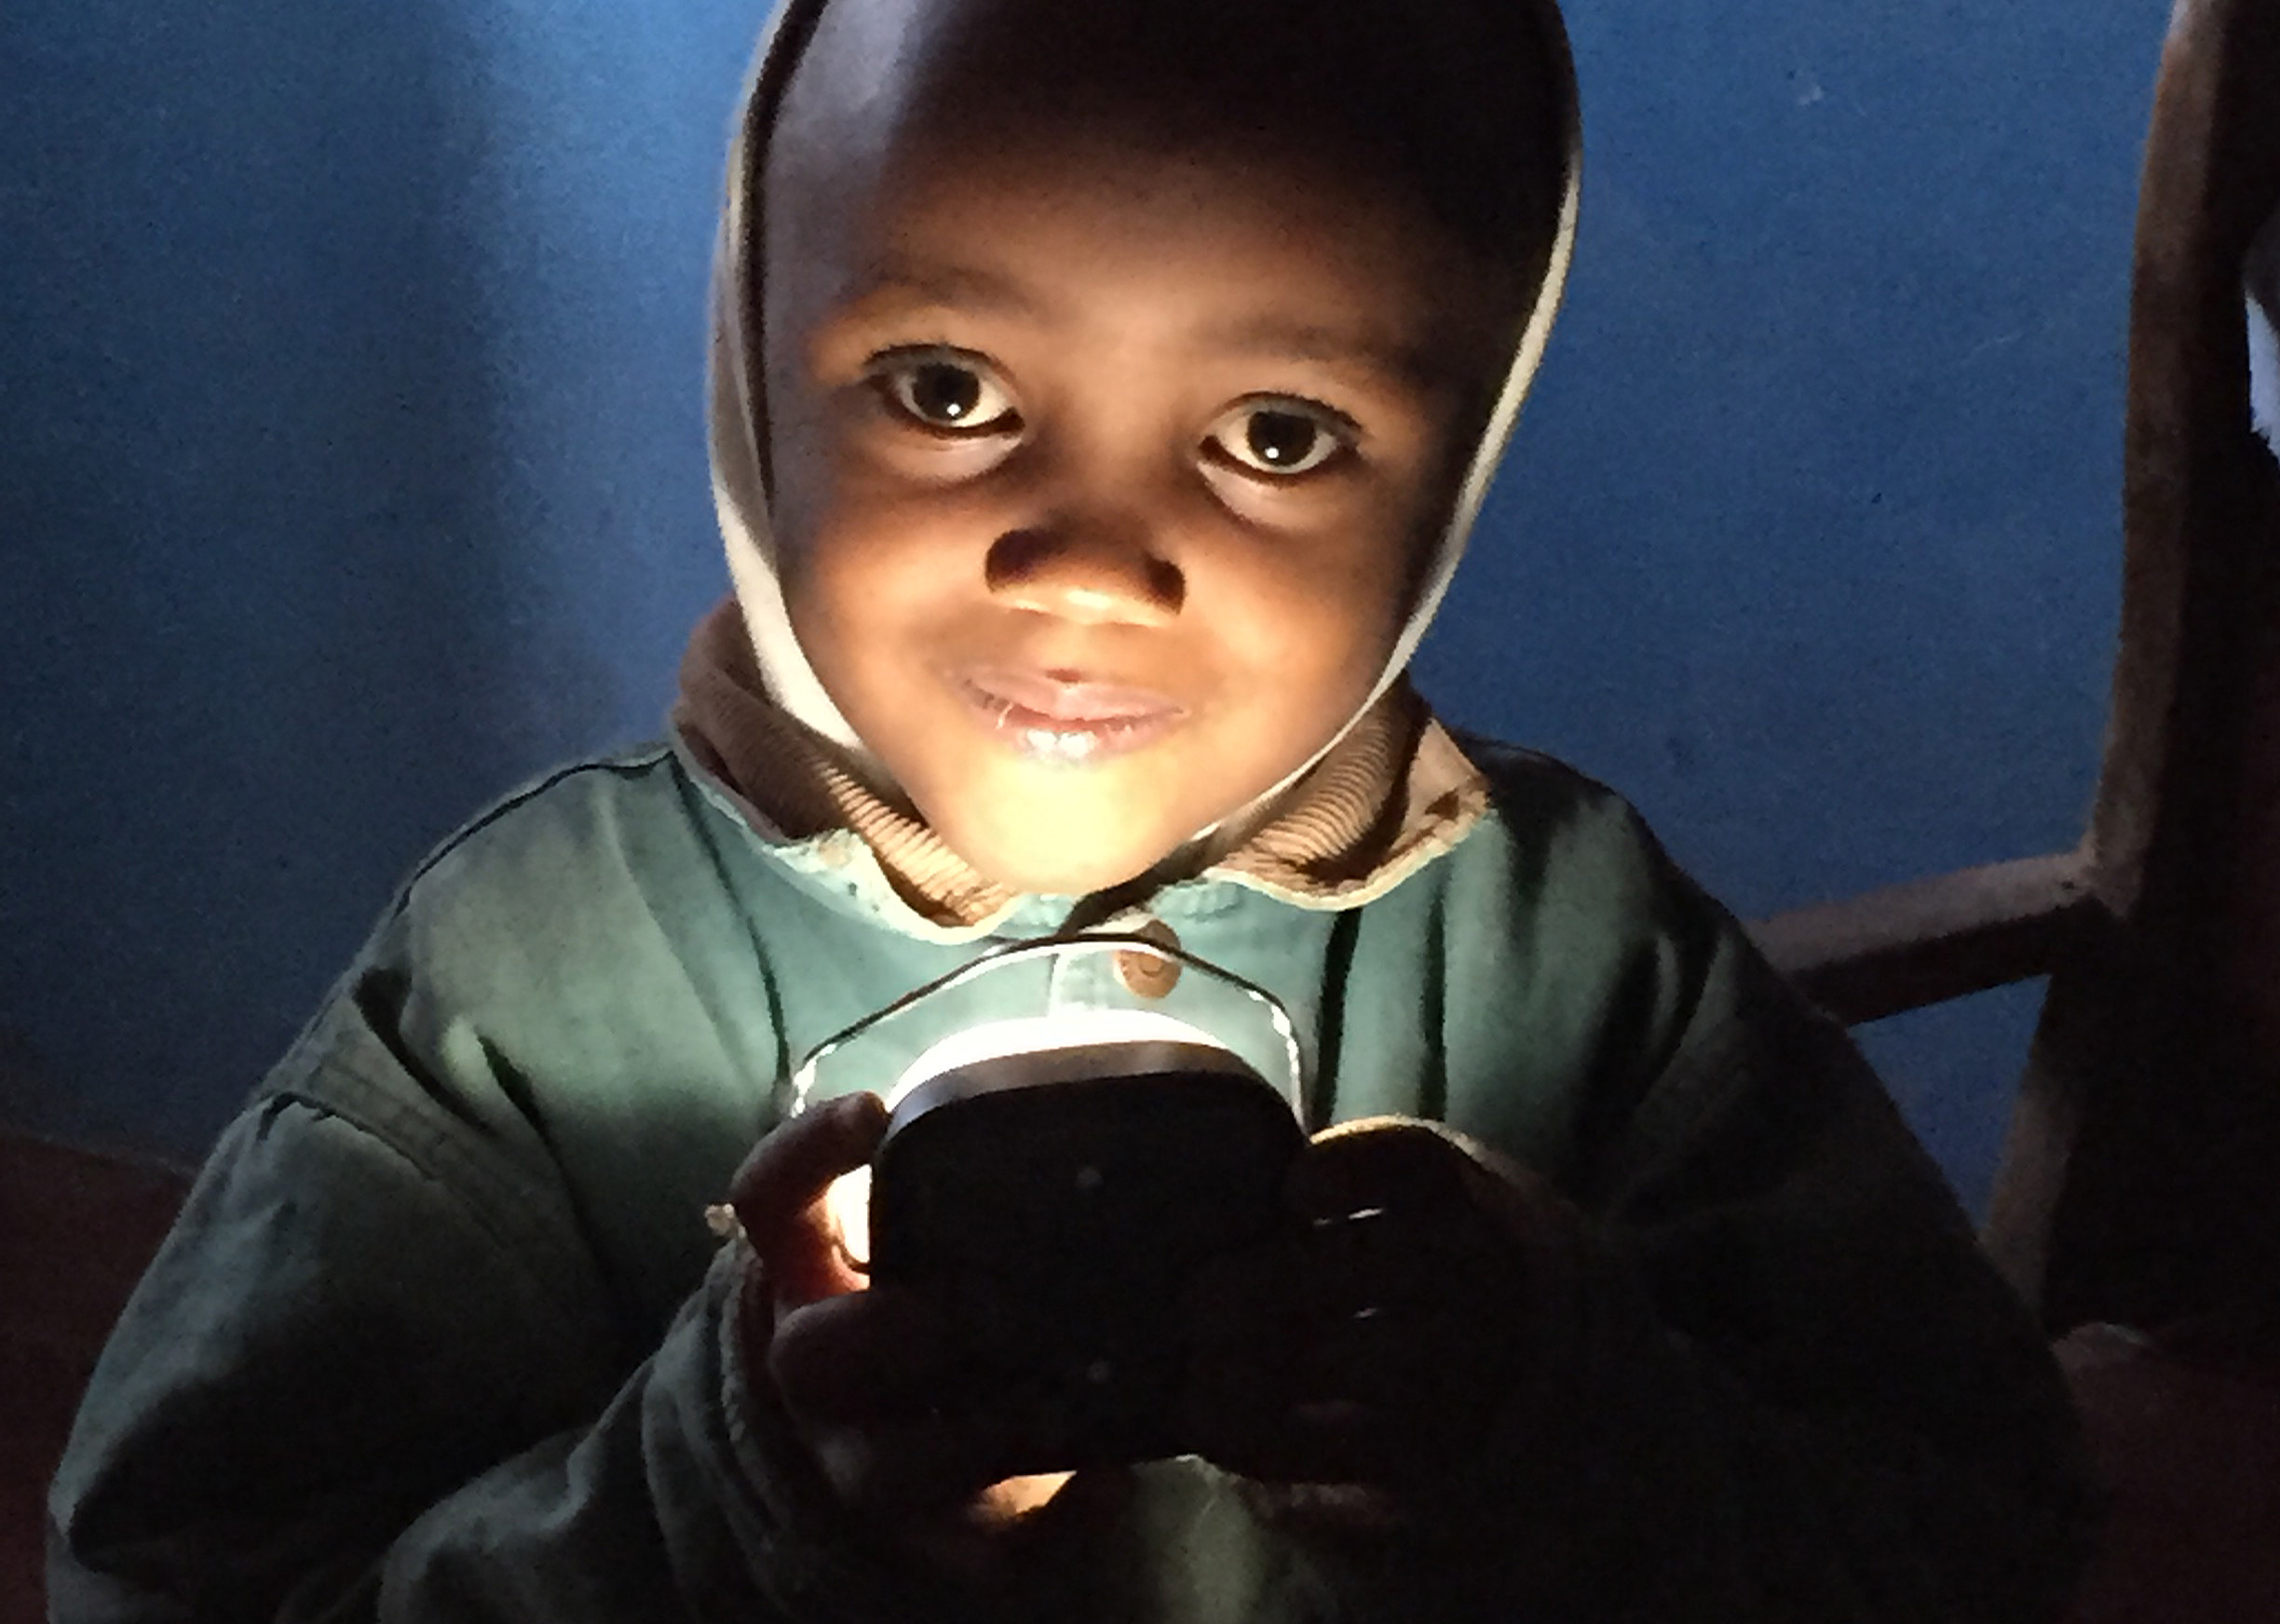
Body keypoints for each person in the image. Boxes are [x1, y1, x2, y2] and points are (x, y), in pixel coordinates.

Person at [48, 0, 2092, 1617]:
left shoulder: (1577, 961)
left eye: (1277, 433)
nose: (1092, 564)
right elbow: (180, 1574)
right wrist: (718, 1493)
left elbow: (1974, 1531)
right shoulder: (528, 988)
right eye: (946, 388)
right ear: (754, 366)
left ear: (1453, 474)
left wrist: (1558, 1417)